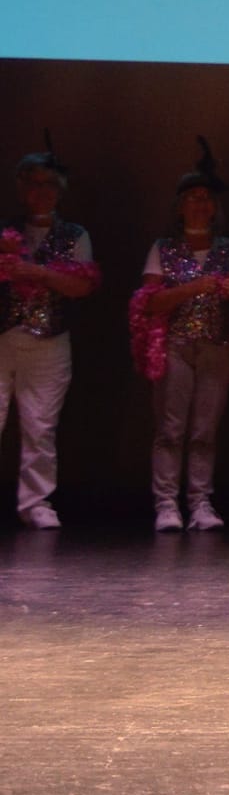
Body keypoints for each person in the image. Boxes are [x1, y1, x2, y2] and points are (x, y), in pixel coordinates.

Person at [132, 141, 229, 532]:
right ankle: (166, 503)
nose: (201, 204)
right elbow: (150, 303)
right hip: (176, 346)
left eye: (207, 198)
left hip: (216, 346)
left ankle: (200, 502)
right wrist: (193, 288)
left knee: (204, 430)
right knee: (171, 428)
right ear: (180, 205)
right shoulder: (164, 249)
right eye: (193, 198)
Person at [0, 147, 101, 529]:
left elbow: (79, 285)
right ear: (21, 188)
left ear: (59, 190)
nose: (41, 192)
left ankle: (35, 502)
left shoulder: (74, 235)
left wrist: (32, 272)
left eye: (48, 185)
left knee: (40, 425)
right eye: (33, 184)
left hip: (49, 340)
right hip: (3, 337)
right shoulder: (5, 231)